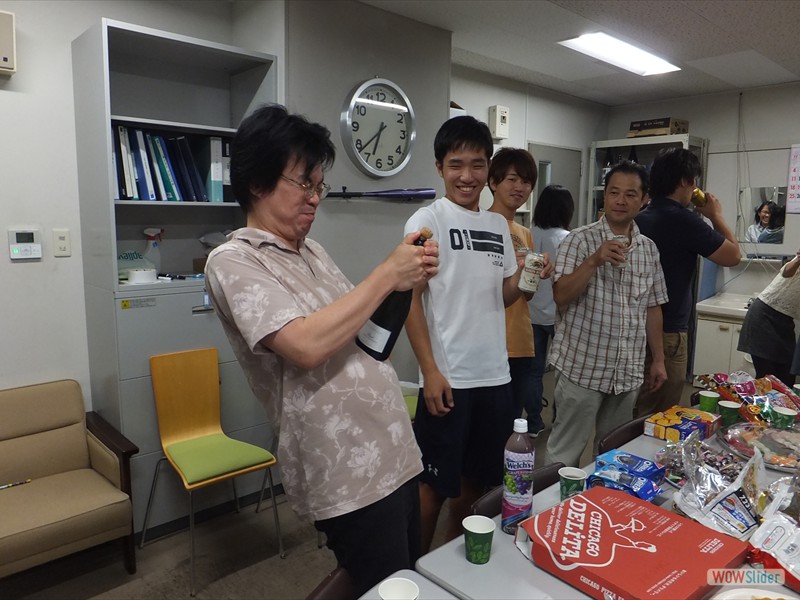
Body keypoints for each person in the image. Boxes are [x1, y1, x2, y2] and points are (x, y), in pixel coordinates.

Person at [204, 105, 439, 595]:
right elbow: (305, 345)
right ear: (257, 182)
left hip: (394, 447)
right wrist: (386, 274)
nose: (314, 198)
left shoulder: (313, 251)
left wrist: (405, 281)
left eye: (319, 186)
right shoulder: (233, 260)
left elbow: (364, 337)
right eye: (303, 183)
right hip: (345, 468)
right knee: (385, 588)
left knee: (408, 578)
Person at [404, 116, 548, 553]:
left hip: (496, 377)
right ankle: (414, 570)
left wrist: (525, 275)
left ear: (488, 168)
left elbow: (502, 297)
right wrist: (430, 371)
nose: (467, 175)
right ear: (439, 167)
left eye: (477, 164)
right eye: (456, 164)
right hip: (450, 379)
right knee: (433, 487)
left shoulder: (498, 226)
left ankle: (453, 564)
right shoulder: (427, 220)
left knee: (476, 486)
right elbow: (409, 301)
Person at [544, 161, 668, 468]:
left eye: (630, 194)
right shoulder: (579, 239)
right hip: (582, 367)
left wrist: (659, 359)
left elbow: (653, 306)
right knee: (564, 453)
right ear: (605, 196)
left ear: (644, 199)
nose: (620, 200)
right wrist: (593, 261)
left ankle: (603, 497)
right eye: (614, 192)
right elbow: (561, 295)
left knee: (615, 454)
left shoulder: (649, 249)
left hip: (627, 371)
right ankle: (553, 500)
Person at [634, 148, 740, 417]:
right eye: (694, 182)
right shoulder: (685, 221)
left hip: (633, 327)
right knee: (660, 414)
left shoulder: (638, 218)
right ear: (685, 181)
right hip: (668, 332)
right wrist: (715, 215)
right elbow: (733, 256)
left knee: (634, 406)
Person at [487, 147, 538, 428]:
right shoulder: (482, 226)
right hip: (491, 343)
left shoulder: (524, 233)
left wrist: (534, 271)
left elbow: (528, 294)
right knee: (488, 427)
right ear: (493, 182)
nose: (520, 187)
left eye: (526, 181)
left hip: (521, 343)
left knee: (511, 425)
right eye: (512, 179)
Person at [528, 184, 574, 437]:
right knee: (563, 371)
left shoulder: (528, 233)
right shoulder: (568, 238)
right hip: (560, 314)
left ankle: (533, 423)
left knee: (533, 372)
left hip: (531, 311)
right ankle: (559, 420)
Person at [737, 251, 800, 386]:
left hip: (786, 322)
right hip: (765, 315)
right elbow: (786, 272)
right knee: (767, 379)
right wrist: (798, 259)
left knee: (786, 379)